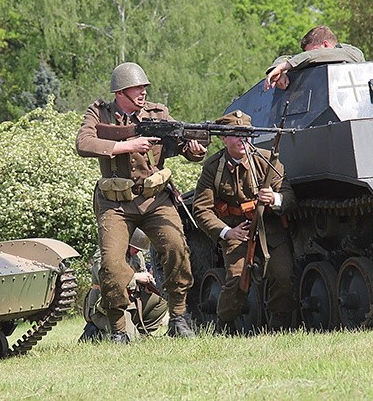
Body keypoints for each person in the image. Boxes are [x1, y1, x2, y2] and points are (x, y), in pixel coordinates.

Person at [75, 62, 206, 343]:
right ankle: (119, 329)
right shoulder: (100, 112)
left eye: (145, 88)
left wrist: (194, 149)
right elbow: (83, 143)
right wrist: (125, 146)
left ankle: (179, 317)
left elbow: (183, 145)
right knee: (111, 264)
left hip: (155, 199)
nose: (143, 92)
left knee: (175, 247)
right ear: (121, 91)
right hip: (115, 203)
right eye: (137, 88)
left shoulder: (158, 114)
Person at [192, 110, 296, 333]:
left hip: (270, 231)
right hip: (237, 232)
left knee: (283, 276)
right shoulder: (213, 167)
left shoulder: (267, 160)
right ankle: (225, 325)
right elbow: (201, 209)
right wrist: (226, 232)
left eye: (247, 134)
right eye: (236, 134)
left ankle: (279, 327)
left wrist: (275, 199)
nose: (243, 139)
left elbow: (288, 196)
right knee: (238, 280)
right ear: (224, 138)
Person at [79, 229, 169, 342]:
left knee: (161, 301)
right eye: (135, 248)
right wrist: (135, 277)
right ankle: (97, 335)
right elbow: (107, 279)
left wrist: (147, 284)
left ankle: (140, 333)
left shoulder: (137, 255)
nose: (137, 251)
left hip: (129, 302)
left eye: (139, 249)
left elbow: (140, 273)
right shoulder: (106, 253)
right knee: (130, 338)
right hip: (106, 306)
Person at [265, 25, 365, 91]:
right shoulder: (308, 57)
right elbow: (286, 57)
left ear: (326, 45)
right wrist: (279, 71)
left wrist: (285, 66)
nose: (311, 56)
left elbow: (315, 56)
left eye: (314, 51)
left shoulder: (351, 52)